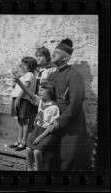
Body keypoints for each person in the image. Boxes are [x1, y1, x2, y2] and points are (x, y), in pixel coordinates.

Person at [48, 38, 87, 171]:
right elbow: (49, 98)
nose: (52, 54)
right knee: (51, 157)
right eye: (53, 52)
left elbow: (76, 103)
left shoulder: (74, 75)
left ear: (65, 59)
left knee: (67, 160)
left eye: (57, 53)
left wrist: (61, 120)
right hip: (55, 121)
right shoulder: (52, 75)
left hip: (71, 124)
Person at [26, 80, 60, 171]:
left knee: (37, 152)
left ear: (50, 92)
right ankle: (30, 169)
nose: (38, 92)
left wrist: (40, 137)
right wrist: (38, 120)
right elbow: (40, 117)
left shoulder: (54, 108)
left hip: (47, 132)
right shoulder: (41, 102)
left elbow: (51, 126)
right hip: (38, 128)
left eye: (41, 90)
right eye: (39, 90)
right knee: (28, 149)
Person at [9, 57, 37, 151]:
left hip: (23, 99)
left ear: (30, 66)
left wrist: (18, 99)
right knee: (19, 120)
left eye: (24, 64)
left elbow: (25, 88)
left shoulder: (30, 74)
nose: (22, 66)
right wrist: (15, 82)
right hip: (17, 98)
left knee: (24, 120)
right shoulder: (23, 75)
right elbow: (17, 88)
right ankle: (19, 141)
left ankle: (24, 142)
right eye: (22, 64)